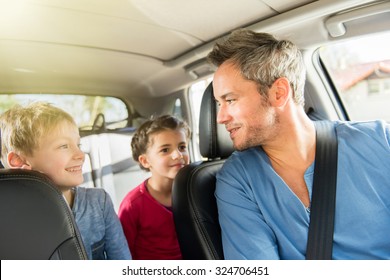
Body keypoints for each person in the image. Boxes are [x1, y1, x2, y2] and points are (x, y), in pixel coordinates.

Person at [207, 29, 390, 260]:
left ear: (279, 93)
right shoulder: (238, 179)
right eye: (219, 103)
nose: (220, 118)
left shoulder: (380, 140)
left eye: (230, 100)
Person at [0, 102, 131, 260]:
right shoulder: (9, 217)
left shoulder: (99, 202)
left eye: (78, 144)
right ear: (19, 160)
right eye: (64, 146)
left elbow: (122, 261)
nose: (80, 155)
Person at [118, 115, 191, 260]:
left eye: (182, 147)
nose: (178, 155)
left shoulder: (193, 192)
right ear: (145, 161)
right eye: (165, 150)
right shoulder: (133, 205)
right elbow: (123, 253)